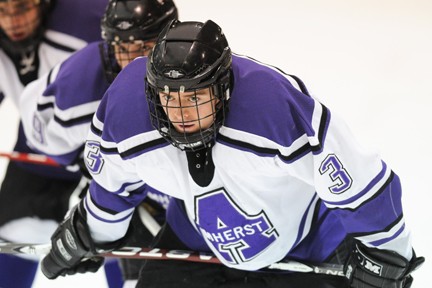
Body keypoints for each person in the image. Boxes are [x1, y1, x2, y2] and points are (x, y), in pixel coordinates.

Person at [40, 19, 425, 288]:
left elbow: (357, 178)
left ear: (222, 88)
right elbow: (112, 187)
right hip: (194, 241)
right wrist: (91, 233)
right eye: (168, 97)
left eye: (195, 96)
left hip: (307, 245)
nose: (181, 112)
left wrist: (388, 252)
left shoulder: (272, 109)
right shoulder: (126, 112)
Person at [19, 0, 178, 285]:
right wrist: (86, 160)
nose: (132, 61)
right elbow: (37, 122)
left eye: (144, 47)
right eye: (122, 47)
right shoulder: (80, 81)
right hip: (125, 189)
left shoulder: (190, 74)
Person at [0, 0, 126, 287]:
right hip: (39, 153)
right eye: (2, 11)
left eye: (21, 8)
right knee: (7, 243)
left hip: (105, 159)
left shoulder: (89, 20)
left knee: (124, 249)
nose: (12, 21)